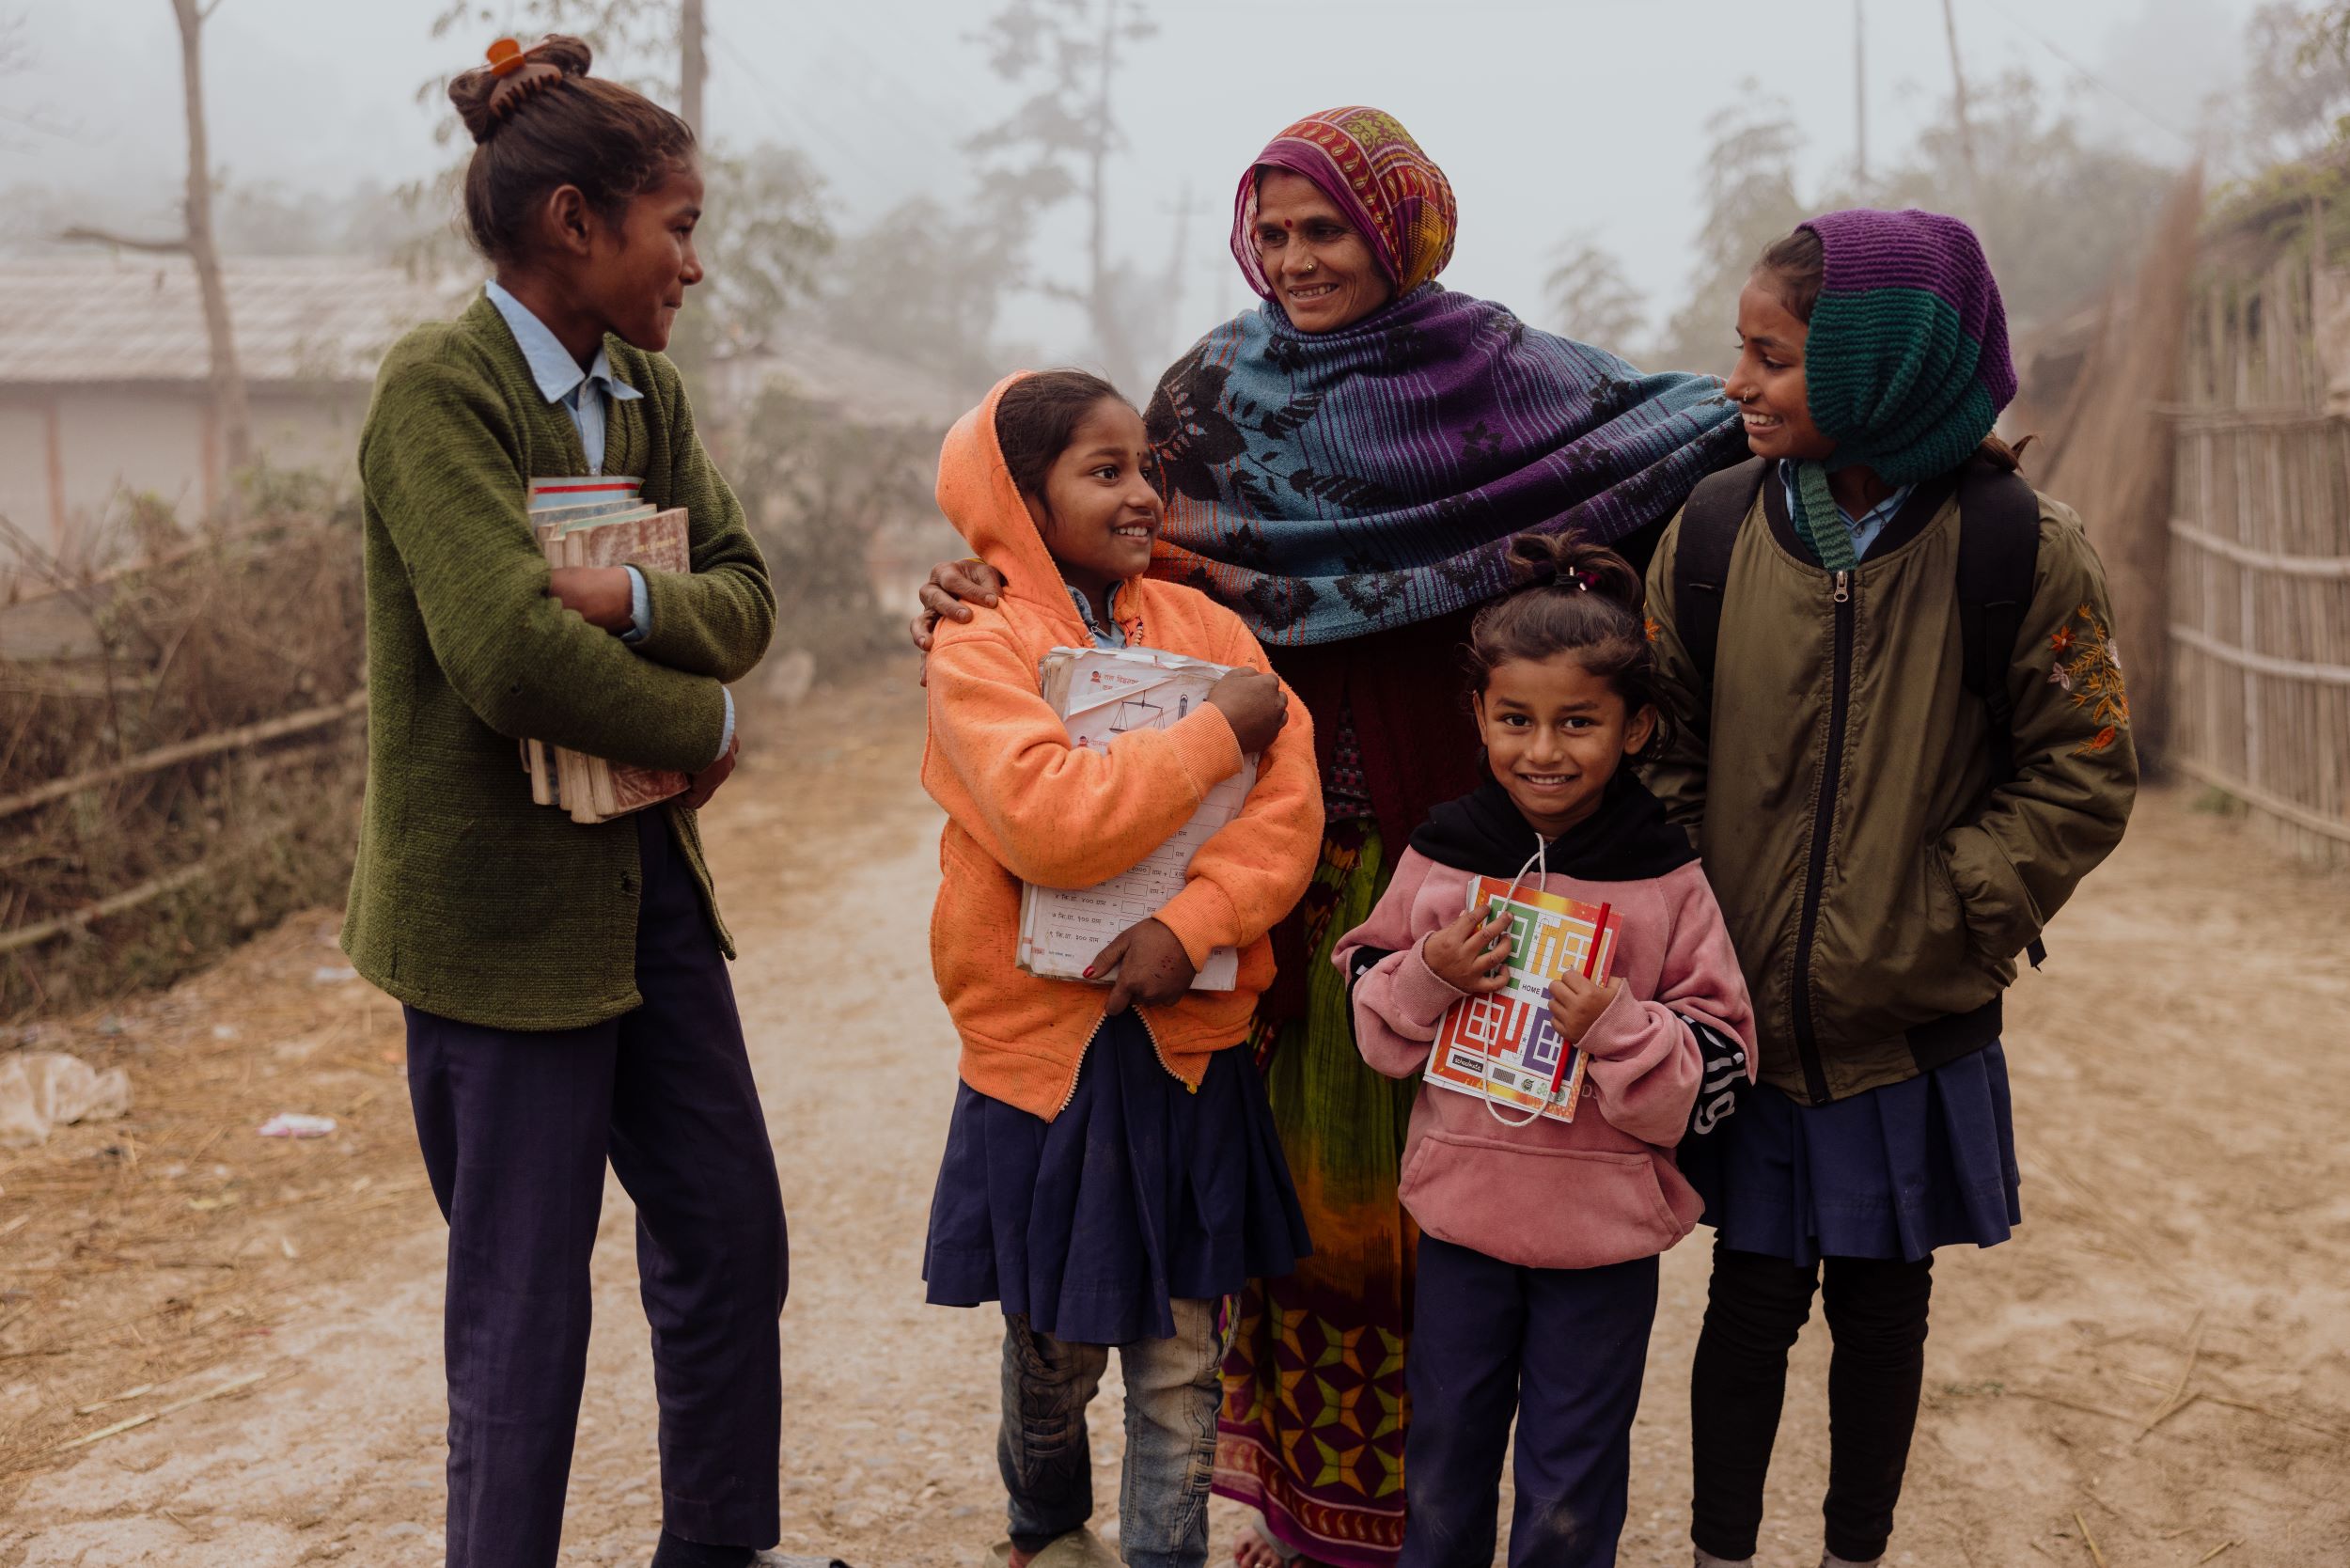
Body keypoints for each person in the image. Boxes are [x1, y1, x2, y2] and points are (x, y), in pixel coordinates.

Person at [914, 107, 1746, 1568]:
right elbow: (1104, 558)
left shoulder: (1510, 381)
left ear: (1405, 227)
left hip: (1467, 861)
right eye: (1275, 232)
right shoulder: (1211, 394)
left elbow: (1689, 428)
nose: (1297, 261)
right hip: (1271, 883)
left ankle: (1456, 1524)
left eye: (1329, 231)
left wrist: (1896, 453)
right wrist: (977, 582)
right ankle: (1312, 1521)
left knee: (1467, 1199)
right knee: (1298, 1216)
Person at [345, 35, 794, 1568]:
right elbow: (502, 657)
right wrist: (707, 721)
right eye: (676, 226)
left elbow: (742, 592)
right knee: (524, 1313)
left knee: (731, 1240)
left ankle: (718, 1548)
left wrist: (639, 610)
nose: (694, 263)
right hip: (499, 924)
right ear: (573, 225)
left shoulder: (642, 393)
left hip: (643, 887)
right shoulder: (438, 391)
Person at [1643, 211, 2139, 1568]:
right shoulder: (1709, 532)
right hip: (1740, 1012)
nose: (1736, 383)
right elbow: (1662, 744)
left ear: (1882, 372)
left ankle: (1855, 1551)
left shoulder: (2021, 552)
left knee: (1884, 1308)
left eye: (1773, 357)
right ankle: (1719, 1552)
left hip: (1909, 1026)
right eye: (1739, 351)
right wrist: (1706, 919)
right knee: (1746, 1302)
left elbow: (2083, 773)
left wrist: (1945, 915)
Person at [919, 369, 1321, 1568]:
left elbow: (1282, 814)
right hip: (1044, 1061)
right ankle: (1045, 1526)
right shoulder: (979, 642)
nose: (1144, 494)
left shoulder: (1209, 632)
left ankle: (1164, 1556)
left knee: (1183, 1354)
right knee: (1056, 1346)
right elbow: (1047, 821)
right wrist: (1216, 732)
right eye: (1105, 472)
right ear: (1017, 501)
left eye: (1148, 465)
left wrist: (1194, 925)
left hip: (1187, 1052)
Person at [1334, 535, 1755, 1568]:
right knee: (1443, 1454)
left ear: (1635, 727)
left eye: (1579, 723)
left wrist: (1617, 1028)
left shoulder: (1663, 875)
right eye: (1515, 721)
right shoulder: (1444, 853)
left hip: (1600, 1237)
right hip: (1464, 1222)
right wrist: (1431, 970)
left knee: (1572, 1476)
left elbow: (1723, 1057)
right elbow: (1368, 1003)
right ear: (1477, 718)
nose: (1543, 751)